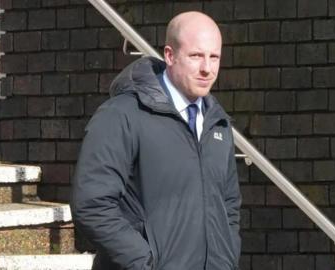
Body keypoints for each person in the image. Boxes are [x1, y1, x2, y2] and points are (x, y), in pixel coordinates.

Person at [70, 11, 241, 270]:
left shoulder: (217, 123)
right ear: (170, 56)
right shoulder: (122, 114)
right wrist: (145, 262)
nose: (207, 68)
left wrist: (226, 258)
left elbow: (228, 205)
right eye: (196, 56)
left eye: (214, 57)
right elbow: (92, 204)